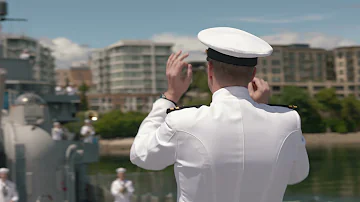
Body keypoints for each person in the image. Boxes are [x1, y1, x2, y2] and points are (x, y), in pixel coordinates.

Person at [130, 27, 309, 202]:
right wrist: (262, 108)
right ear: (253, 73)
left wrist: (170, 96)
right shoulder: (288, 120)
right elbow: (295, 175)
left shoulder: (183, 121)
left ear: (210, 70)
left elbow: (141, 155)